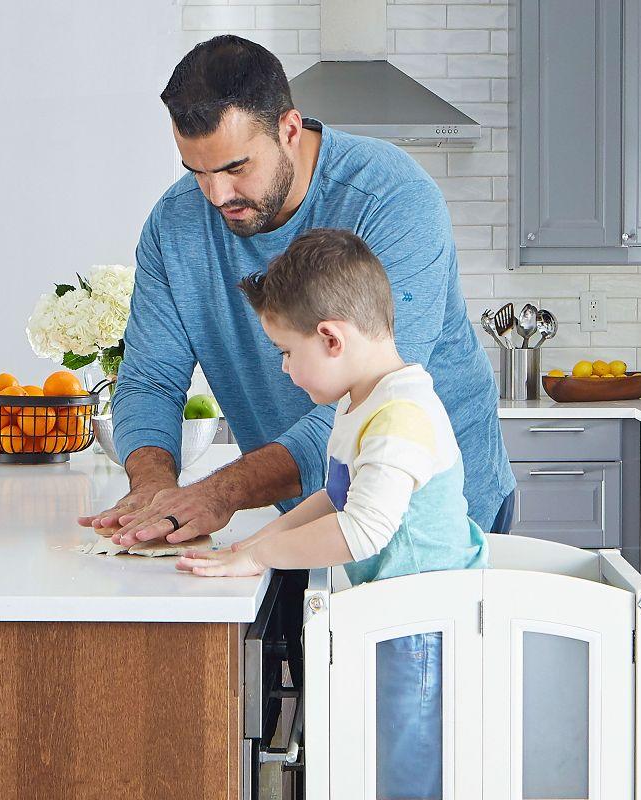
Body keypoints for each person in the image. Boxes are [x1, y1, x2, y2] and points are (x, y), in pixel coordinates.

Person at [77, 34, 514, 687]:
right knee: (341, 717)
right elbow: (148, 379)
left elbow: (365, 401)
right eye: (196, 171)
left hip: (434, 526)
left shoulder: (394, 200)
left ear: (288, 128)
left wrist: (221, 496)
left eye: (235, 167)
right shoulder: (175, 226)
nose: (216, 194)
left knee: (425, 723)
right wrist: (154, 490)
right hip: (316, 516)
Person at [177, 228, 491, 799]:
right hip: (395, 617)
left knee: (408, 775)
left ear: (331, 338)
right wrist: (249, 550)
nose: (285, 371)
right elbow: (334, 497)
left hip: (421, 628)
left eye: (287, 352)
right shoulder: (363, 400)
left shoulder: (402, 414)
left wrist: (262, 554)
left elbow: (362, 530)